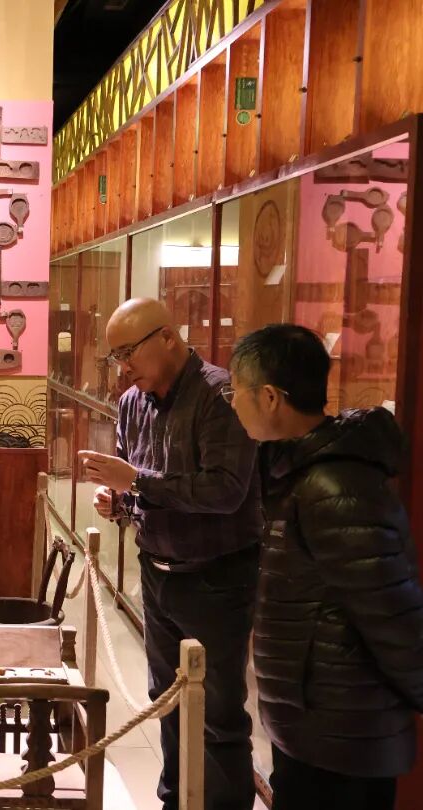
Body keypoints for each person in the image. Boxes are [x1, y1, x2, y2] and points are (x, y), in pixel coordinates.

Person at [227, 324, 423, 810]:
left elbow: (393, 614)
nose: (232, 405)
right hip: (313, 724)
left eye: (236, 393)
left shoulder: (334, 486)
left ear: (269, 397)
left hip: (345, 733)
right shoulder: (292, 469)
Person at [77, 298, 261, 810]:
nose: (123, 367)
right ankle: (176, 800)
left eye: (128, 353)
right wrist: (118, 501)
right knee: (167, 701)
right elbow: (138, 486)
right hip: (156, 571)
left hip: (216, 576)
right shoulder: (132, 403)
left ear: (168, 338)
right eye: (116, 357)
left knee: (218, 713)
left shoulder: (219, 395)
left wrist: (136, 481)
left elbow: (225, 491)